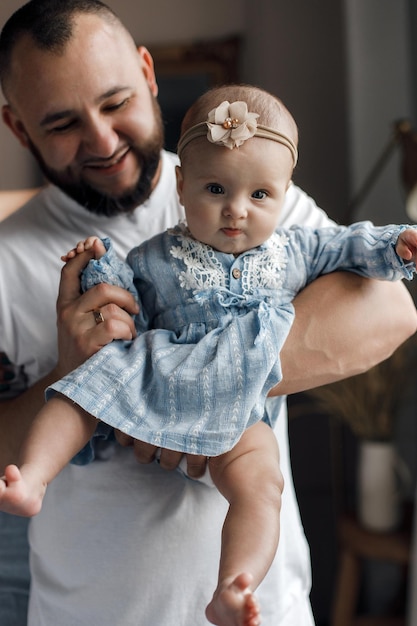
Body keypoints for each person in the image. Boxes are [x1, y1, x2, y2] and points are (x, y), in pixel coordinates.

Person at [0, 2, 416, 626]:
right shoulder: (10, 262)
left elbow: (390, 312)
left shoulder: (250, 179)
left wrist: (201, 391)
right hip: (85, 613)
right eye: (62, 123)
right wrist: (73, 369)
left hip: (263, 610)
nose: (103, 141)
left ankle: (235, 580)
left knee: (259, 485)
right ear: (17, 127)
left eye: (115, 103)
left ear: (147, 72)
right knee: (77, 399)